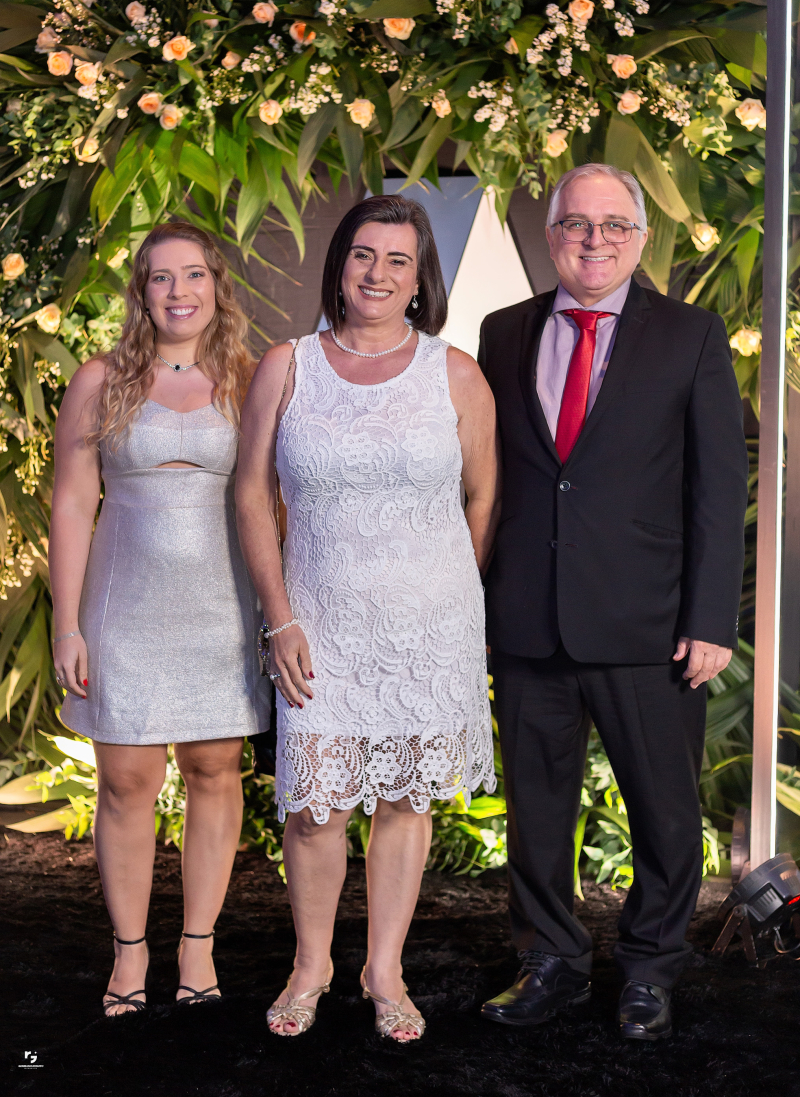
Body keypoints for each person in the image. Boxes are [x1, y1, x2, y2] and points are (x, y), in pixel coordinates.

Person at [477, 163, 748, 1040]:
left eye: (613, 225)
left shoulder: (691, 334)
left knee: (665, 814)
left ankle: (649, 971)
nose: (594, 240)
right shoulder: (502, 332)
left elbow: (717, 488)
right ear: (551, 233)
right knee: (536, 814)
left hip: (650, 625)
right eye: (576, 224)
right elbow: (495, 478)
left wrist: (710, 619)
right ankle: (550, 962)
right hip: (528, 619)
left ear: (640, 236)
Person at [236, 194, 499, 1041]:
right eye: (362, 255)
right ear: (339, 265)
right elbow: (250, 495)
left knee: (407, 801)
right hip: (316, 625)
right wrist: (279, 620)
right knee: (317, 806)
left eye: (397, 260)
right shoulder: (287, 365)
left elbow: (483, 496)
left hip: (428, 628)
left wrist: (449, 598)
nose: (377, 273)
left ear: (420, 278)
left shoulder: (456, 373)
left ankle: (384, 969)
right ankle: (310, 965)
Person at [50, 223, 269, 1016]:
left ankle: (197, 947)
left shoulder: (253, 378)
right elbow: (72, 503)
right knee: (126, 781)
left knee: (214, 770)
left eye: (194, 274)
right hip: (125, 606)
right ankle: (130, 952)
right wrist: (66, 625)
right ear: (141, 292)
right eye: (161, 277)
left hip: (224, 607)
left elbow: (278, 501)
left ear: (217, 285)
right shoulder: (100, 378)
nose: (179, 291)